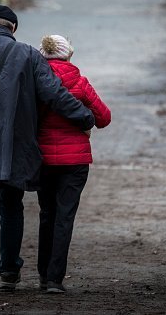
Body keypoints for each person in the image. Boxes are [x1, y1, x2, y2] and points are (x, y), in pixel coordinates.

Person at [0, 6, 96, 295]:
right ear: (13, 28)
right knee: (12, 207)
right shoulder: (27, 54)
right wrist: (84, 116)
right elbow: (54, 93)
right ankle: (9, 271)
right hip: (15, 145)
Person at [35, 35, 111, 293]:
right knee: (64, 217)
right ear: (69, 55)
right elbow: (104, 118)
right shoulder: (80, 82)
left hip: (43, 159)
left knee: (46, 214)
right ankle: (55, 279)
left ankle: (43, 275)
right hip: (75, 161)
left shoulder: (35, 83)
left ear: (42, 57)